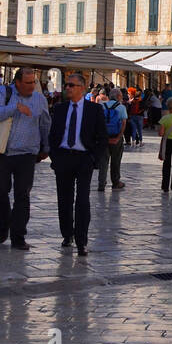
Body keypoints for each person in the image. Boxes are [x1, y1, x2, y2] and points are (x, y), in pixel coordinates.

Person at [0, 67, 52, 251]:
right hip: (2, 151)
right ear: (17, 82)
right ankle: (5, 222)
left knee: (22, 195)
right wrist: (14, 107)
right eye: (28, 83)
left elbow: (45, 124)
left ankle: (18, 237)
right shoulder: (3, 92)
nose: (32, 86)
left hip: (27, 154)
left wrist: (46, 147)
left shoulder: (40, 100)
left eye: (34, 82)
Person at [49, 72, 108, 257]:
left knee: (82, 200)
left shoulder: (94, 109)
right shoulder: (59, 108)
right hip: (64, 157)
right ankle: (67, 235)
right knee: (64, 199)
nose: (67, 88)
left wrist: (94, 159)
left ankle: (82, 240)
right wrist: (55, 157)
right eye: (66, 85)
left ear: (82, 88)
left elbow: (102, 137)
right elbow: (53, 135)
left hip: (84, 158)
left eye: (71, 85)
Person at [97, 86, 128, 192]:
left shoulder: (101, 106)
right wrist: (118, 137)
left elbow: (98, 123)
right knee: (116, 160)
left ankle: (101, 183)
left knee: (103, 161)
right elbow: (123, 124)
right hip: (116, 137)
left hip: (103, 138)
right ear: (119, 96)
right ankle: (115, 182)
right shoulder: (121, 107)